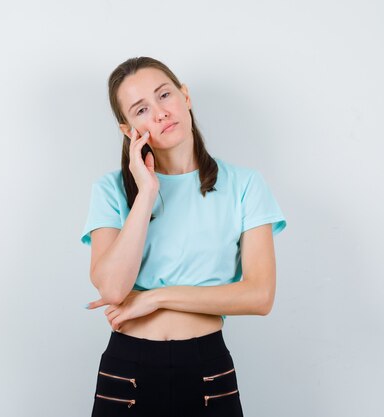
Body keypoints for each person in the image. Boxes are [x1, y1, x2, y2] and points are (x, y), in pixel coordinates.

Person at [80, 56, 287, 416]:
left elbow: (260, 295)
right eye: (141, 109)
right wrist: (145, 193)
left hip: (207, 368)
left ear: (185, 96)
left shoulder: (244, 185)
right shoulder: (111, 190)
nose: (160, 113)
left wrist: (155, 298)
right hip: (127, 370)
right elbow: (113, 290)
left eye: (165, 95)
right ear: (128, 129)